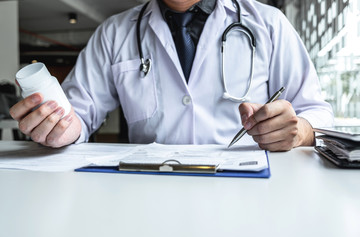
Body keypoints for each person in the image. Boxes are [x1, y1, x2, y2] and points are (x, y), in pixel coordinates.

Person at [9, 0, 333, 151]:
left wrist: (301, 131)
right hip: (148, 195)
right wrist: (57, 128)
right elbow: (78, 114)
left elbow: (317, 113)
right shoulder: (115, 33)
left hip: (247, 191)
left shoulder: (269, 24)